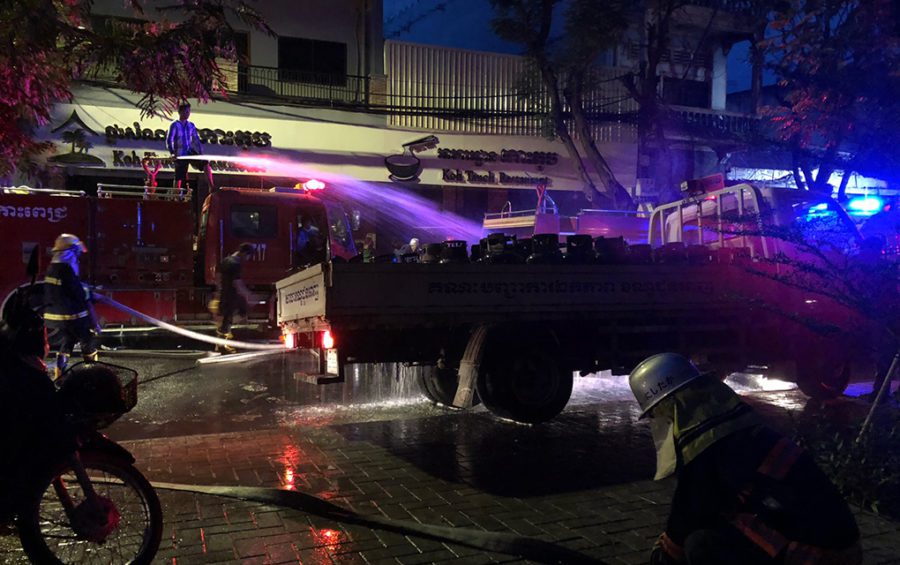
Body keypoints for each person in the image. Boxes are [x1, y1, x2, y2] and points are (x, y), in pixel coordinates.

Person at [629, 353, 862, 565]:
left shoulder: (706, 453)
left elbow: (684, 521)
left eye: (654, 415)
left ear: (670, 408)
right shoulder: (736, 430)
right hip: (841, 545)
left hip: (822, 556)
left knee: (701, 544)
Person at [43, 234, 99, 379]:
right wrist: (89, 295)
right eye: (77, 252)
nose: (78, 255)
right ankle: (92, 374)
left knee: (68, 339)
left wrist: (81, 287)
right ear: (71, 251)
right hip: (71, 314)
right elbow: (78, 294)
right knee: (87, 338)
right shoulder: (66, 268)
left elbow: (65, 288)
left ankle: (60, 375)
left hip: (54, 316)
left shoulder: (53, 267)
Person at [213, 242, 255, 354]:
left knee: (226, 318)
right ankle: (222, 346)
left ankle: (221, 344)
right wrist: (247, 295)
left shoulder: (226, 260)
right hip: (231, 294)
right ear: (244, 253)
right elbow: (237, 282)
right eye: (248, 256)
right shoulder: (236, 263)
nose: (247, 259)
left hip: (224, 292)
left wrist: (218, 292)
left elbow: (218, 277)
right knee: (229, 318)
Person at [166, 102, 213, 195]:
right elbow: (169, 140)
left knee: (205, 163)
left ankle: (211, 186)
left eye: (188, 112)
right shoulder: (175, 125)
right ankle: (176, 196)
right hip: (179, 154)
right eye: (186, 112)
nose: (188, 114)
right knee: (179, 177)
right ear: (180, 112)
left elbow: (196, 139)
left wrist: (201, 152)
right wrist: (172, 153)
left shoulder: (191, 125)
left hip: (189, 151)